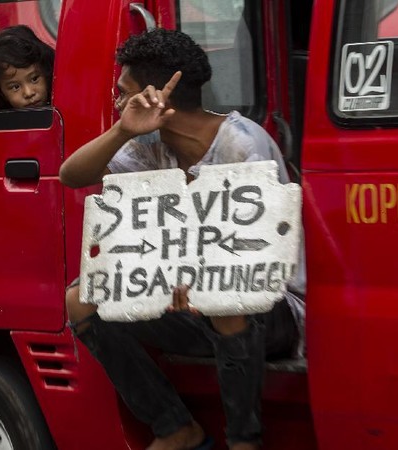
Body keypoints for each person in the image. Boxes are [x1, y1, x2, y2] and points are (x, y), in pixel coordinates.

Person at [59, 28, 305, 450]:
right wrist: (123, 130)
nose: (117, 101)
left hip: (272, 309)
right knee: (81, 299)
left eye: (124, 93)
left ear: (158, 96)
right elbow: (71, 175)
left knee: (223, 296)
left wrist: (195, 283)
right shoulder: (147, 145)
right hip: (189, 302)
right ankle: (175, 428)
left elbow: (250, 262)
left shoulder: (242, 144)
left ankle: (245, 441)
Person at [0, 25, 54, 110]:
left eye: (34, 79)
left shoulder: (65, 111)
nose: (28, 93)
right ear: (0, 92)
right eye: (15, 87)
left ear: (47, 72)